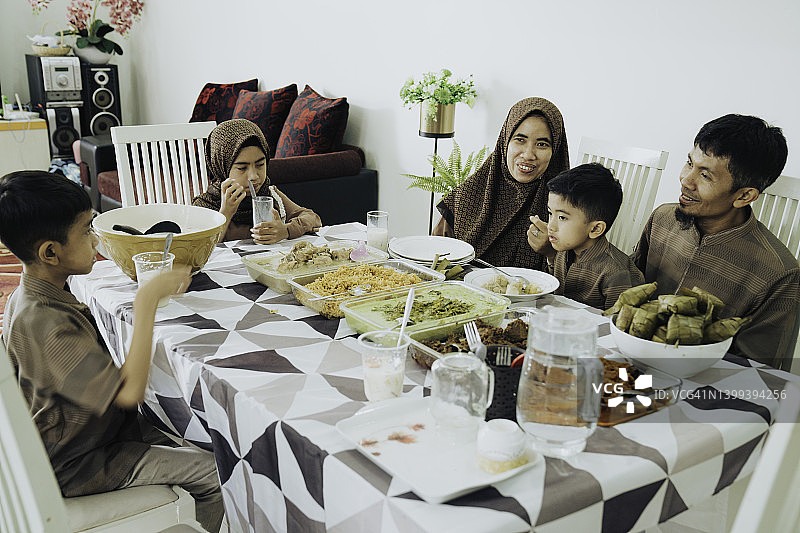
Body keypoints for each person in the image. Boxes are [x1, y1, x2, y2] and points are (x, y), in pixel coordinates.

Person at [0, 171, 224, 532]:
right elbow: (129, 394)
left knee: (197, 431)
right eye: (87, 231)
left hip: (81, 441)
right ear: (51, 252)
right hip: (79, 463)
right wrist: (147, 300)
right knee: (217, 473)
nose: (95, 242)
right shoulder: (46, 322)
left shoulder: (29, 297)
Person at [632, 114, 800, 370]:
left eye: (705, 176)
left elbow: (760, 373)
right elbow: (630, 290)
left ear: (744, 195)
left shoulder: (780, 274)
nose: (686, 180)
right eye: (689, 163)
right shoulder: (663, 219)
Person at [433, 97, 570, 269]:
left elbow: (576, 283)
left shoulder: (565, 210)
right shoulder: (468, 196)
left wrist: (552, 253)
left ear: (555, 151)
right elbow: (432, 258)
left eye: (542, 144)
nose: (528, 154)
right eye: (520, 139)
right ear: (505, 142)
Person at [527, 163, 644, 310]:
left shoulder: (617, 274)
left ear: (595, 228)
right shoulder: (564, 249)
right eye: (551, 213)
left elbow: (618, 326)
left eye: (562, 218)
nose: (551, 226)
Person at [192, 118, 322, 244]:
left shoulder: (270, 195)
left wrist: (286, 230)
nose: (254, 176)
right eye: (242, 168)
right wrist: (226, 212)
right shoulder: (205, 205)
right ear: (221, 168)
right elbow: (199, 249)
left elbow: (313, 218)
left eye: (260, 165)